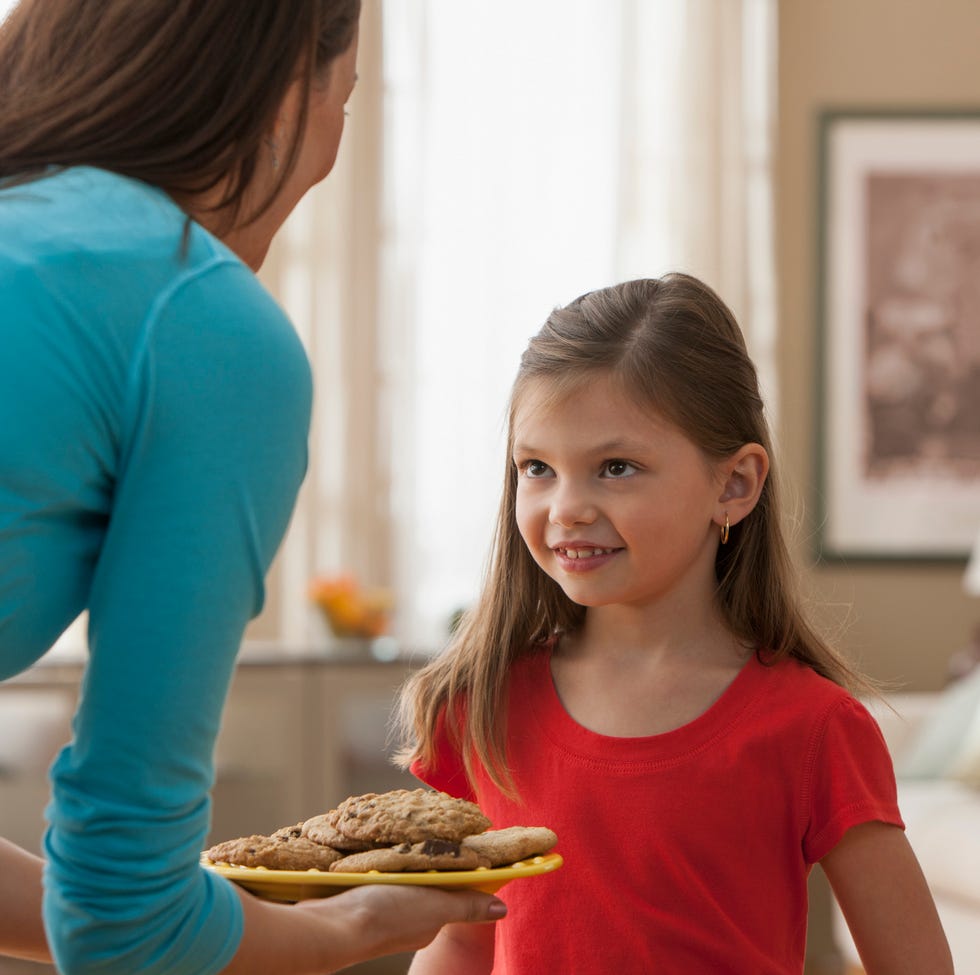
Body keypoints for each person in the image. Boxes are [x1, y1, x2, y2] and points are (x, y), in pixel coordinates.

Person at [0, 2, 505, 973]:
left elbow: (107, 907)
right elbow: (125, 928)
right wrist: (346, 929)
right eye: (345, 98)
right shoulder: (194, 318)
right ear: (283, 95)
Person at [396, 274, 953, 974]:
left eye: (616, 467)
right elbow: (462, 938)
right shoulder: (489, 703)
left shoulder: (814, 728)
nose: (565, 507)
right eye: (537, 467)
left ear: (735, 485)